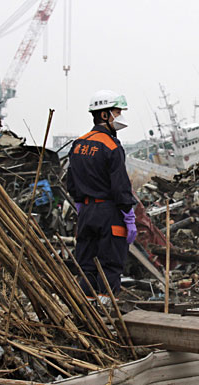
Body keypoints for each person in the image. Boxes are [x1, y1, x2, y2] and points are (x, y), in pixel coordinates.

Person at [67, 89, 137, 298]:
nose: (120, 117)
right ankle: (107, 315)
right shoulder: (111, 146)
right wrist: (129, 215)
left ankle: (88, 312)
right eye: (117, 112)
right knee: (110, 266)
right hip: (109, 213)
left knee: (86, 266)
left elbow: (72, 181)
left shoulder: (78, 144)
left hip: (86, 213)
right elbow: (120, 185)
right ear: (104, 115)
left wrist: (81, 205)